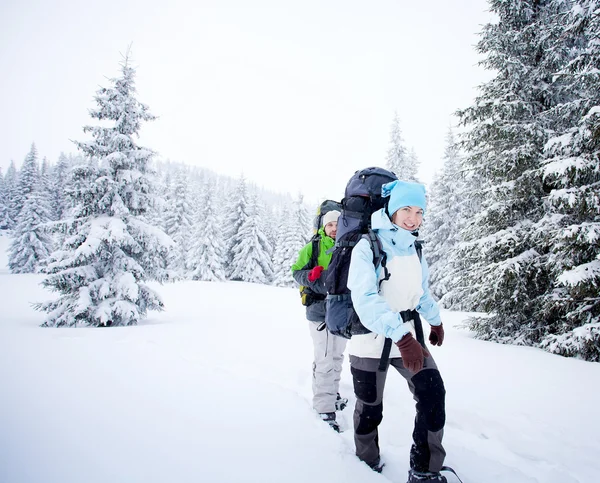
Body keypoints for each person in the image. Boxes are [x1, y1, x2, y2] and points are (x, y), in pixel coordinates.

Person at [347, 180, 448, 483]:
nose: (413, 218)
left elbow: (422, 292)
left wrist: (435, 320)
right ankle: (365, 464)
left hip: (409, 338)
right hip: (371, 340)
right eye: (406, 208)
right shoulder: (367, 246)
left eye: (419, 211)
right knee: (369, 407)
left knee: (433, 394)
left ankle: (424, 469)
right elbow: (364, 299)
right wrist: (401, 336)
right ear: (391, 208)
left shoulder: (415, 247)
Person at [291, 209, 348, 432]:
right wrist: (311, 276)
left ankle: (332, 396)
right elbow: (296, 272)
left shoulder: (348, 246)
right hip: (318, 310)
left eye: (337, 224)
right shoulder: (312, 247)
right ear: (324, 227)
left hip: (342, 310)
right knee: (324, 358)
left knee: (336, 355)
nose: (334, 229)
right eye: (330, 225)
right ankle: (324, 408)